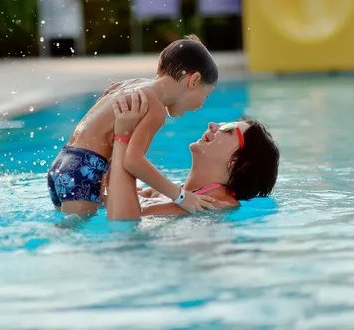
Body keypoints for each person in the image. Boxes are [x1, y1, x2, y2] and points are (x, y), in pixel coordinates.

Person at [47, 35, 219, 215]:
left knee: (67, 230)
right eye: (205, 95)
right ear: (194, 80)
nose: (200, 106)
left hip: (63, 162)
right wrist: (181, 196)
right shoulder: (155, 107)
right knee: (80, 237)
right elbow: (133, 161)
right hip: (84, 171)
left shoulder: (134, 84)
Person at [106, 91, 280, 219]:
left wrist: (122, 136)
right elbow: (109, 201)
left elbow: (125, 218)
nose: (213, 125)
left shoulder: (216, 204)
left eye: (227, 129)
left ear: (237, 161)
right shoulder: (166, 191)